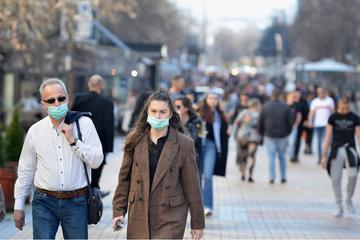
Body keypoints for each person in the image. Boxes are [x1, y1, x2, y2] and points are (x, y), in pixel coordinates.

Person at [13, 78, 103, 239]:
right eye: (51, 100)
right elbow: (26, 170)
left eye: (61, 98)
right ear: (43, 104)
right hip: (44, 202)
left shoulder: (84, 124)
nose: (56, 103)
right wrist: (19, 206)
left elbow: (96, 161)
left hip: (77, 201)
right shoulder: (35, 131)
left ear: (67, 99)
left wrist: (74, 141)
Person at [112, 89, 204, 239]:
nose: (157, 116)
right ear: (147, 112)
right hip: (139, 212)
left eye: (163, 111)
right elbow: (124, 179)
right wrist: (118, 212)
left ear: (170, 113)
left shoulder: (184, 144)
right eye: (153, 111)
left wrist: (197, 222)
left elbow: (192, 185)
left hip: (170, 216)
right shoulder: (134, 140)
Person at [71, 74, 114, 198]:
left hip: (79, 140)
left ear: (89, 84)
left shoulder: (78, 99)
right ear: (102, 86)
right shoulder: (107, 103)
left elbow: (71, 118)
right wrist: (107, 149)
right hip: (99, 143)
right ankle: (94, 195)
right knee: (96, 171)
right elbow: (109, 127)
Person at [321, 97, 360, 217]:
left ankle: (348, 199)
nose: (345, 111)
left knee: (353, 175)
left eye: (347, 108)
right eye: (342, 108)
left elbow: (359, 136)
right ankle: (338, 204)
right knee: (335, 178)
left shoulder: (355, 118)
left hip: (350, 149)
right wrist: (323, 156)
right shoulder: (333, 117)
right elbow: (327, 137)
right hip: (336, 150)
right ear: (338, 106)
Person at [198, 91, 229, 216]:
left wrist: (228, 129)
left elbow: (224, 130)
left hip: (211, 146)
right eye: (211, 98)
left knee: (208, 176)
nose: (213, 101)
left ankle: (208, 205)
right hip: (198, 146)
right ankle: (197, 205)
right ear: (206, 99)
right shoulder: (199, 112)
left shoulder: (219, 115)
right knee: (197, 177)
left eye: (215, 99)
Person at [258, 89, 293, 184]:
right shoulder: (285, 106)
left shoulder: (266, 106)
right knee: (282, 157)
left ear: (271, 95)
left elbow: (260, 121)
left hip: (269, 134)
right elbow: (290, 121)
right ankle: (283, 177)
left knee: (271, 158)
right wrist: (288, 132)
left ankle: (271, 177)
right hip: (282, 135)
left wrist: (261, 133)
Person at [174, 97, 204, 176]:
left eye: (178, 107)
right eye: (174, 106)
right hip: (176, 157)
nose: (175, 109)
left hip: (192, 157)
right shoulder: (172, 120)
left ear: (186, 108)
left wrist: (180, 123)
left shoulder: (195, 121)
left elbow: (191, 139)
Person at [234, 99, 261, 182]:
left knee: (242, 155)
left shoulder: (244, 112)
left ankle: (242, 173)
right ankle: (250, 175)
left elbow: (236, 122)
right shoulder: (259, 114)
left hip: (243, 135)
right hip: (254, 137)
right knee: (251, 156)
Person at [308, 87, 335, 163]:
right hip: (317, 124)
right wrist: (310, 121)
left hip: (327, 124)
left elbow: (333, 113)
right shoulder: (315, 101)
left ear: (325, 92)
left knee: (324, 141)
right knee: (318, 142)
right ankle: (320, 158)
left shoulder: (329, 101)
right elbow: (311, 113)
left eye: (322, 92)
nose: (320, 94)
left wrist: (334, 123)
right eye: (319, 92)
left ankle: (324, 157)